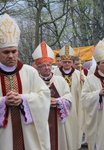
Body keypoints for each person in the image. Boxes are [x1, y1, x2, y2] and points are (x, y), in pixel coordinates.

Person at [0, 14, 50, 150]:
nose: (11, 55)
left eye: (14, 51)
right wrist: (3, 102)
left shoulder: (30, 72)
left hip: (28, 134)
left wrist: (24, 99)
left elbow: (44, 96)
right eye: (6, 52)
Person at [32, 41, 78, 150]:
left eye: (48, 65)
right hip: (40, 121)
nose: (47, 68)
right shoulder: (34, 81)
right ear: (38, 68)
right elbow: (29, 99)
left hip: (58, 121)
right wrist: (43, 102)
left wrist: (58, 101)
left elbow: (68, 96)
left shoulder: (59, 80)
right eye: (43, 66)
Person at [54, 44, 85, 149]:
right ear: (61, 62)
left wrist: (83, 82)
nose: (67, 64)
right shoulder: (55, 73)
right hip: (59, 106)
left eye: (69, 62)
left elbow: (83, 92)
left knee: (74, 127)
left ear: (72, 63)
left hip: (74, 107)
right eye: (64, 62)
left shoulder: (78, 74)